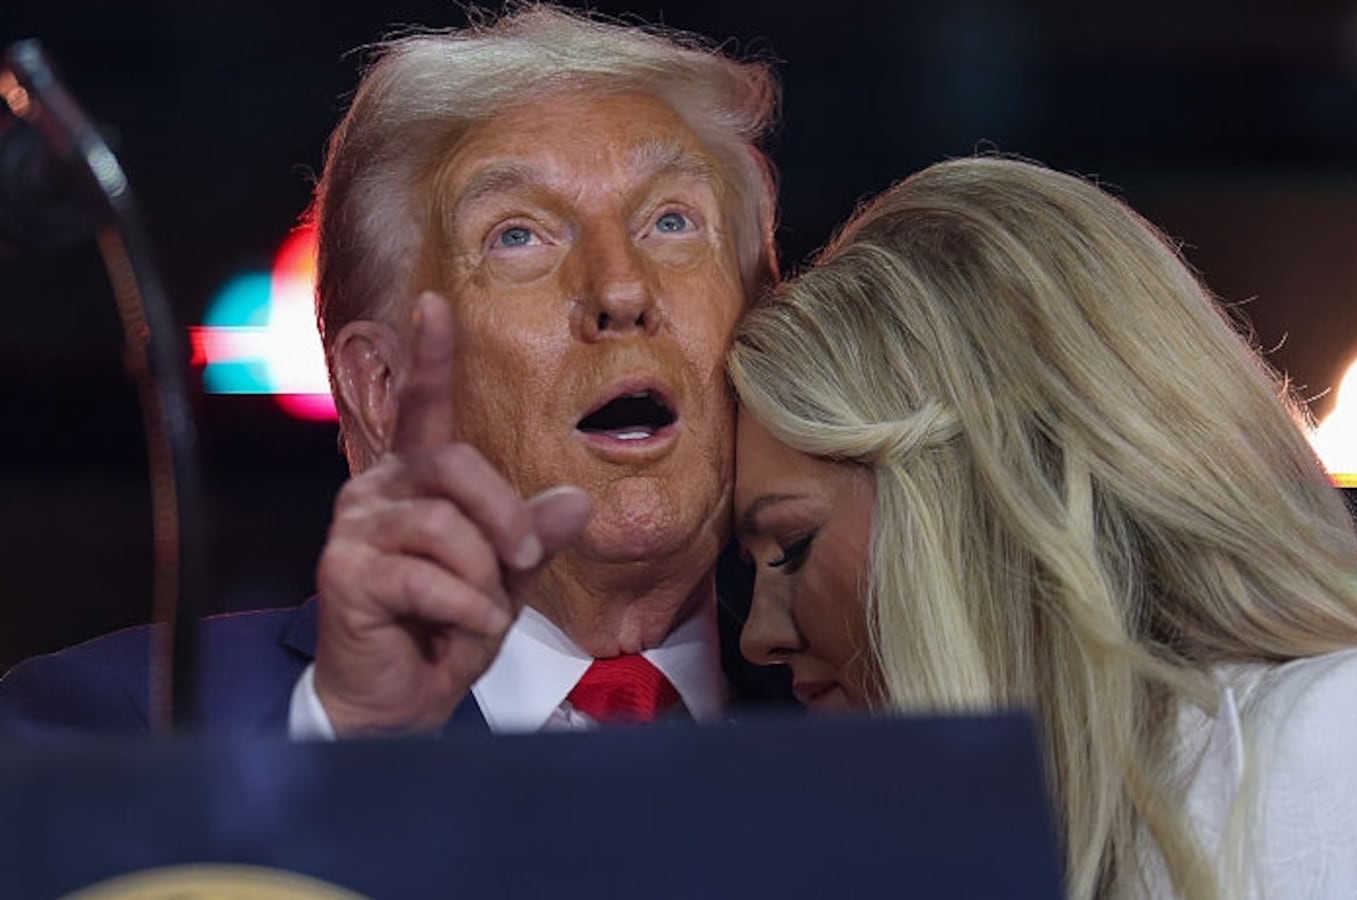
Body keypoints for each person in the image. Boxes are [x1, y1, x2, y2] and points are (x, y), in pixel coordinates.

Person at [728, 156, 1357, 898]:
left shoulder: (1351, 729)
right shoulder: (928, 839)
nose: (757, 637)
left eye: (790, 550)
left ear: (979, 498)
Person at [0, 3, 791, 738]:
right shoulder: (106, 728)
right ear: (380, 386)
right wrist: (351, 741)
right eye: (517, 236)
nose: (621, 289)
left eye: (672, 220)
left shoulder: (868, 714)